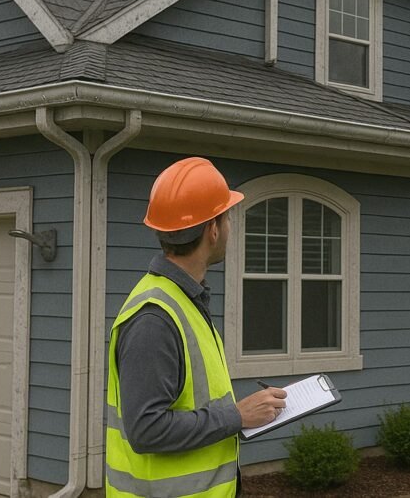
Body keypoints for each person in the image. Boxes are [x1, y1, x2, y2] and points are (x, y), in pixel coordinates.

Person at [106, 157, 287, 497]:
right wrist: (236, 416)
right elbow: (146, 430)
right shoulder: (154, 319)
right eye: (227, 216)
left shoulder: (184, 300)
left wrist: (241, 414)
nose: (229, 227)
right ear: (213, 229)